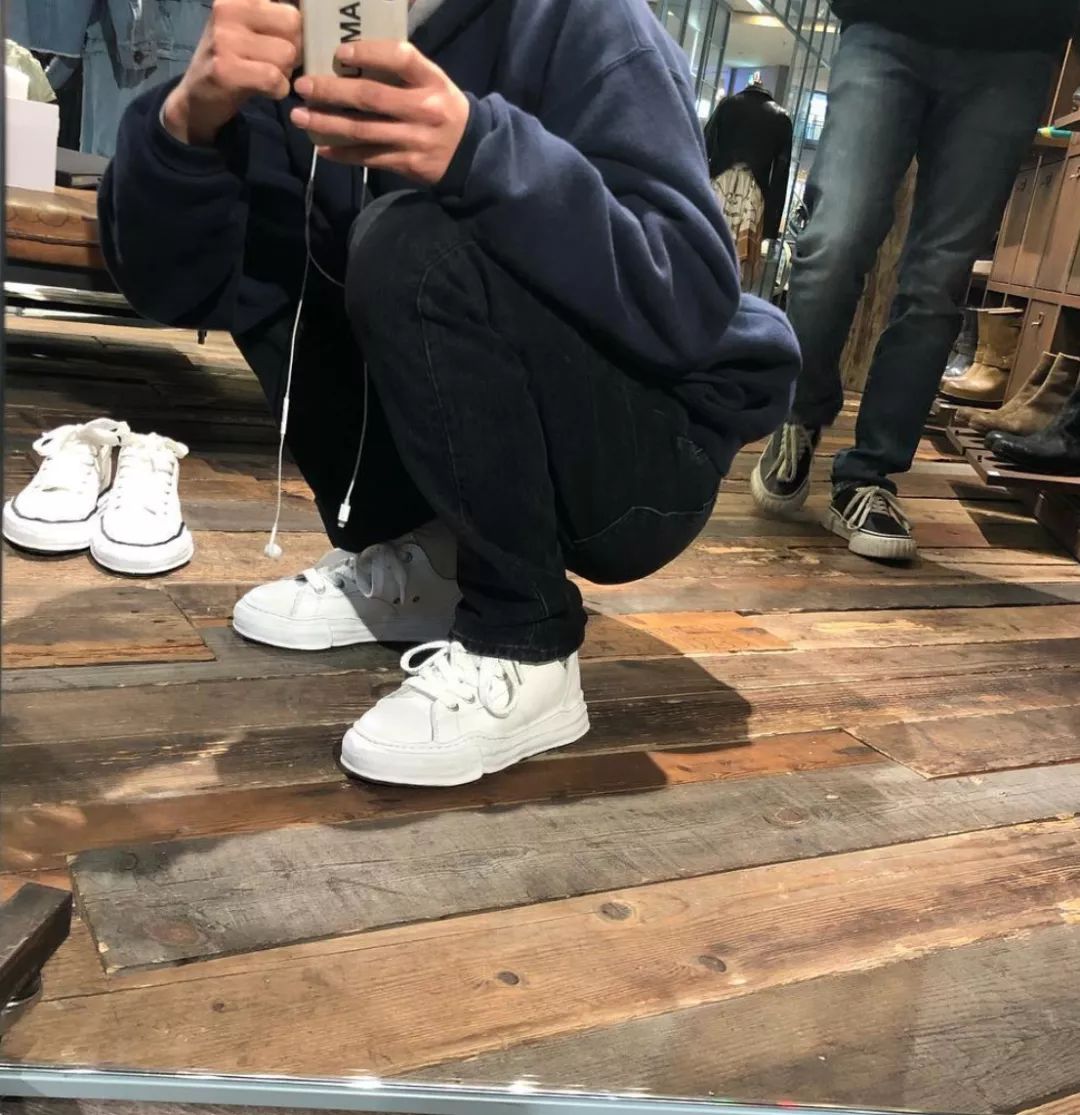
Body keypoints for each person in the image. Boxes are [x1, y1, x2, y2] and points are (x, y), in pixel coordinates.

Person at [98, 0, 800, 787]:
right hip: (488, 435)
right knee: (293, 232)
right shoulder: (315, 34)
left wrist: (481, 150)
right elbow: (179, 286)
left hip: (648, 455)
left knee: (409, 244)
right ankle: (430, 557)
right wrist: (189, 121)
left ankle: (525, 634)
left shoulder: (583, 19)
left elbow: (691, 294)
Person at [752, 0, 1075, 561]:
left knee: (938, 279)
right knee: (833, 240)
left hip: (1019, 42)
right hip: (886, 21)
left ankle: (869, 474)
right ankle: (800, 415)